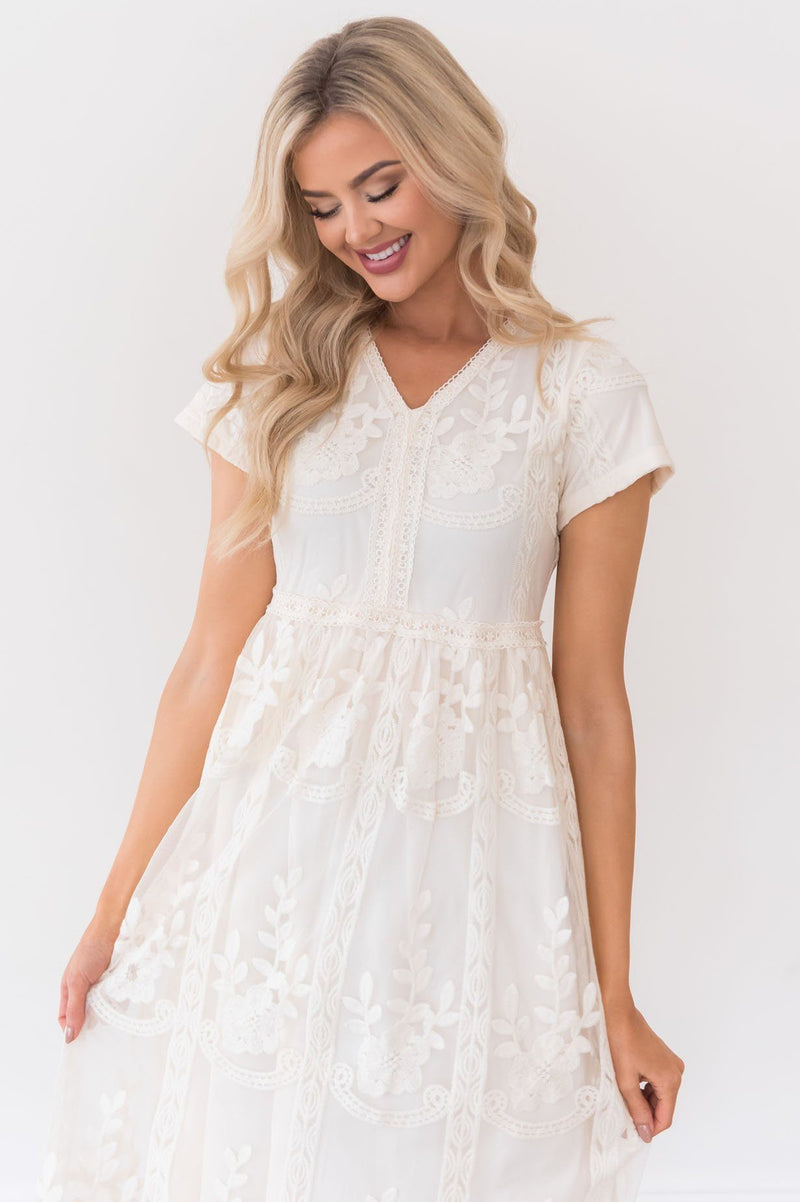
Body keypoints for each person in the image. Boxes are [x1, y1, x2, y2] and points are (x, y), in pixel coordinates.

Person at [36, 15, 684, 1202]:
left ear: (453, 154)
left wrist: (615, 994)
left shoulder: (583, 398)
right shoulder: (280, 382)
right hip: (265, 876)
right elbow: (207, 659)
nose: (356, 230)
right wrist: (108, 912)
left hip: (471, 885)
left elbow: (592, 707)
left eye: (380, 187)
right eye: (323, 206)